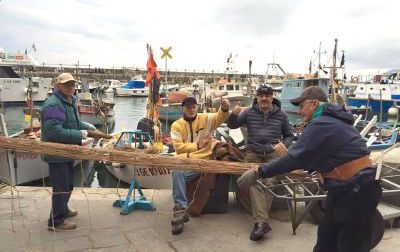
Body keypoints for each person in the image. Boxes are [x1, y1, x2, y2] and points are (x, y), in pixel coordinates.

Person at [237, 86, 382, 251]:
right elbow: (320, 155)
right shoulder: (329, 121)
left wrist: (259, 171)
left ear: (314, 104)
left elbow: (295, 158)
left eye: (301, 106)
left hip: (357, 190)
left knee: (349, 245)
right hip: (343, 189)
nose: (299, 112)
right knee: (326, 240)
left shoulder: (322, 123)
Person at [227, 85, 294, 241]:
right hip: (253, 153)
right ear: (257, 98)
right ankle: (262, 222)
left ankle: (261, 223)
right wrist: (233, 114)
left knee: (269, 181)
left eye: (267, 96)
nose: (264, 98)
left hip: (273, 154)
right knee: (254, 179)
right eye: (261, 96)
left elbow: (289, 136)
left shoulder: (281, 115)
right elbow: (232, 125)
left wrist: (283, 145)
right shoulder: (249, 112)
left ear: (272, 98)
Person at [41, 73, 106, 231]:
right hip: (57, 153)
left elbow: (74, 122)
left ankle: (63, 210)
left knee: (69, 184)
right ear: (58, 86)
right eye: (67, 85)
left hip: (68, 152)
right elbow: (54, 132)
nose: (71, 87)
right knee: (61, 187)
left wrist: (89, 128)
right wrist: (84, 134)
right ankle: (56, 222)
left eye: (73, 84)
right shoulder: (53, 105)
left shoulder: (69, 100)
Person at [170, 96, 230, 235]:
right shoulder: (176, 125)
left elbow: (220, 117)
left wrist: (225, 107)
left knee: (178, 177)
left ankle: (179, 212)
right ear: (183, 109)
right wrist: (198, 145)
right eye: (188, 107)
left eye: (193, 107)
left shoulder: (206, 118)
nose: (191, 109)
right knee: (177, 172)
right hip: (184, 161)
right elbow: (178, 147)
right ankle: (181, 210)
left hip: (202, 162)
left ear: (197, 107)